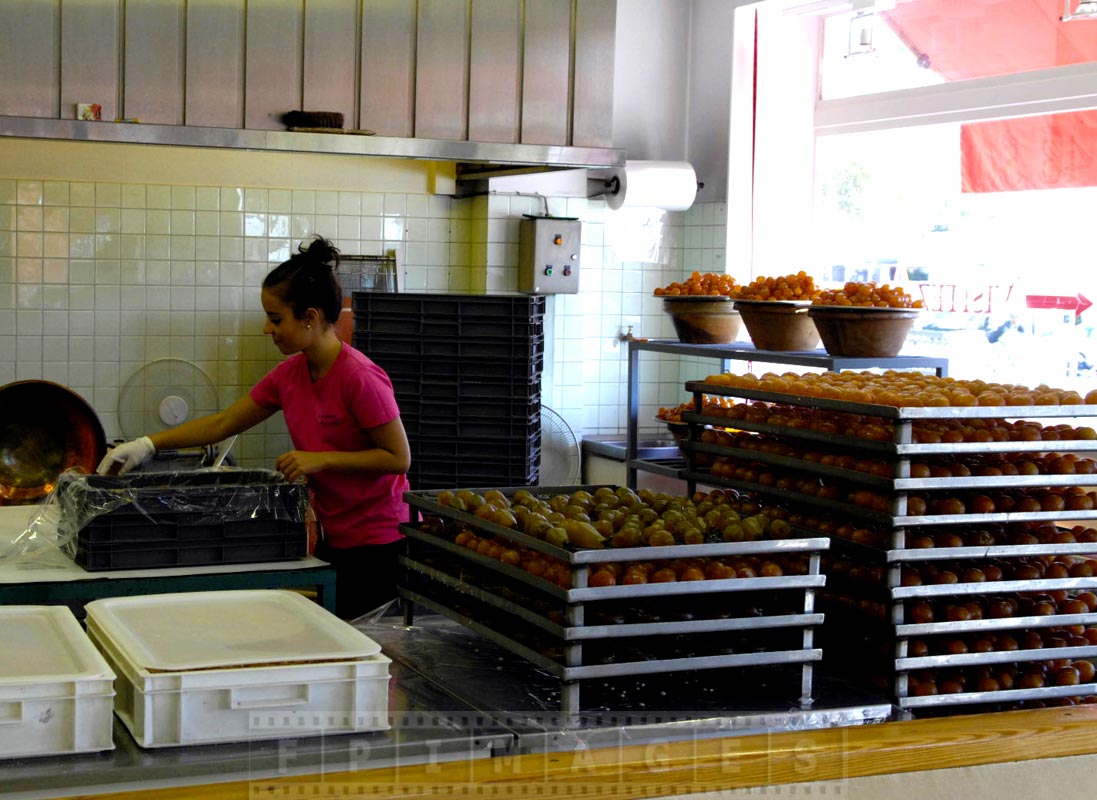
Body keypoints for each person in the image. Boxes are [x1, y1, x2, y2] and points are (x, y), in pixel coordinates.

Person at [97, 236, 412, 619]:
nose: (267, 328)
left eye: (276, 318)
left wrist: (321, 461)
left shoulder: (360, 377)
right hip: (332, 533)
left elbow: (397, 457)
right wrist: (147, 444)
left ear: (310, 317)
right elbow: (224, 422)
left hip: (377, 541)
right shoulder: (289, 375)